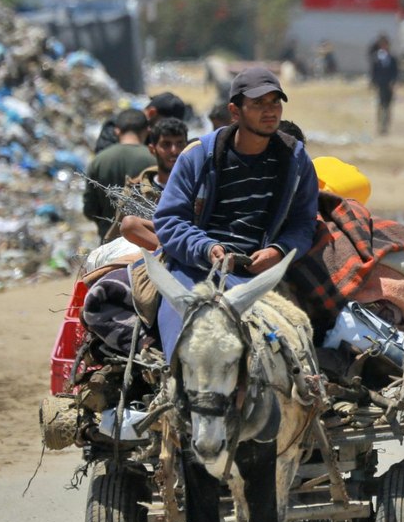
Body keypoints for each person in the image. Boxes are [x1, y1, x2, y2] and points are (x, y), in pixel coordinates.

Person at [153, 67, 319, 362]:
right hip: (196, 270)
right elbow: (169, 220)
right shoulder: (198, 156)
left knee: (287, 352)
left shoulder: (295, 159)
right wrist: (206, 248)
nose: (270, 112)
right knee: (184, 346)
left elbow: (304, 223)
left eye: (275, 103)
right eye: (258, 104)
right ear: (234, 111)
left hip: (260, 276)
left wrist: (278, 251)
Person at [84, 108, 155, 240]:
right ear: (147, 130)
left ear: (117, 130)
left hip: (109, 243)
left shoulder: (99, 160)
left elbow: (90, 209)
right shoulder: (154, 159)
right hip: (145, 243)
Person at [119, 117, 189, 250]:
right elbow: (119, 236)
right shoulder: (137, 192)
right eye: (166, 144)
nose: (174, 150)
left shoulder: (198, 187)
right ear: (152, 149)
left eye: (179, 144)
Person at [370, 34, 399, 135]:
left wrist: (393, 82)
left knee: (388, 106)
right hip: (380, 85)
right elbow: (374, 71)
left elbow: (395, 72)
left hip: (389, 85)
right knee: (380, 106)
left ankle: (385, 126)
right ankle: (380, 126)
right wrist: (374, 82)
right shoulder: (376, 58)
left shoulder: (392, 58)